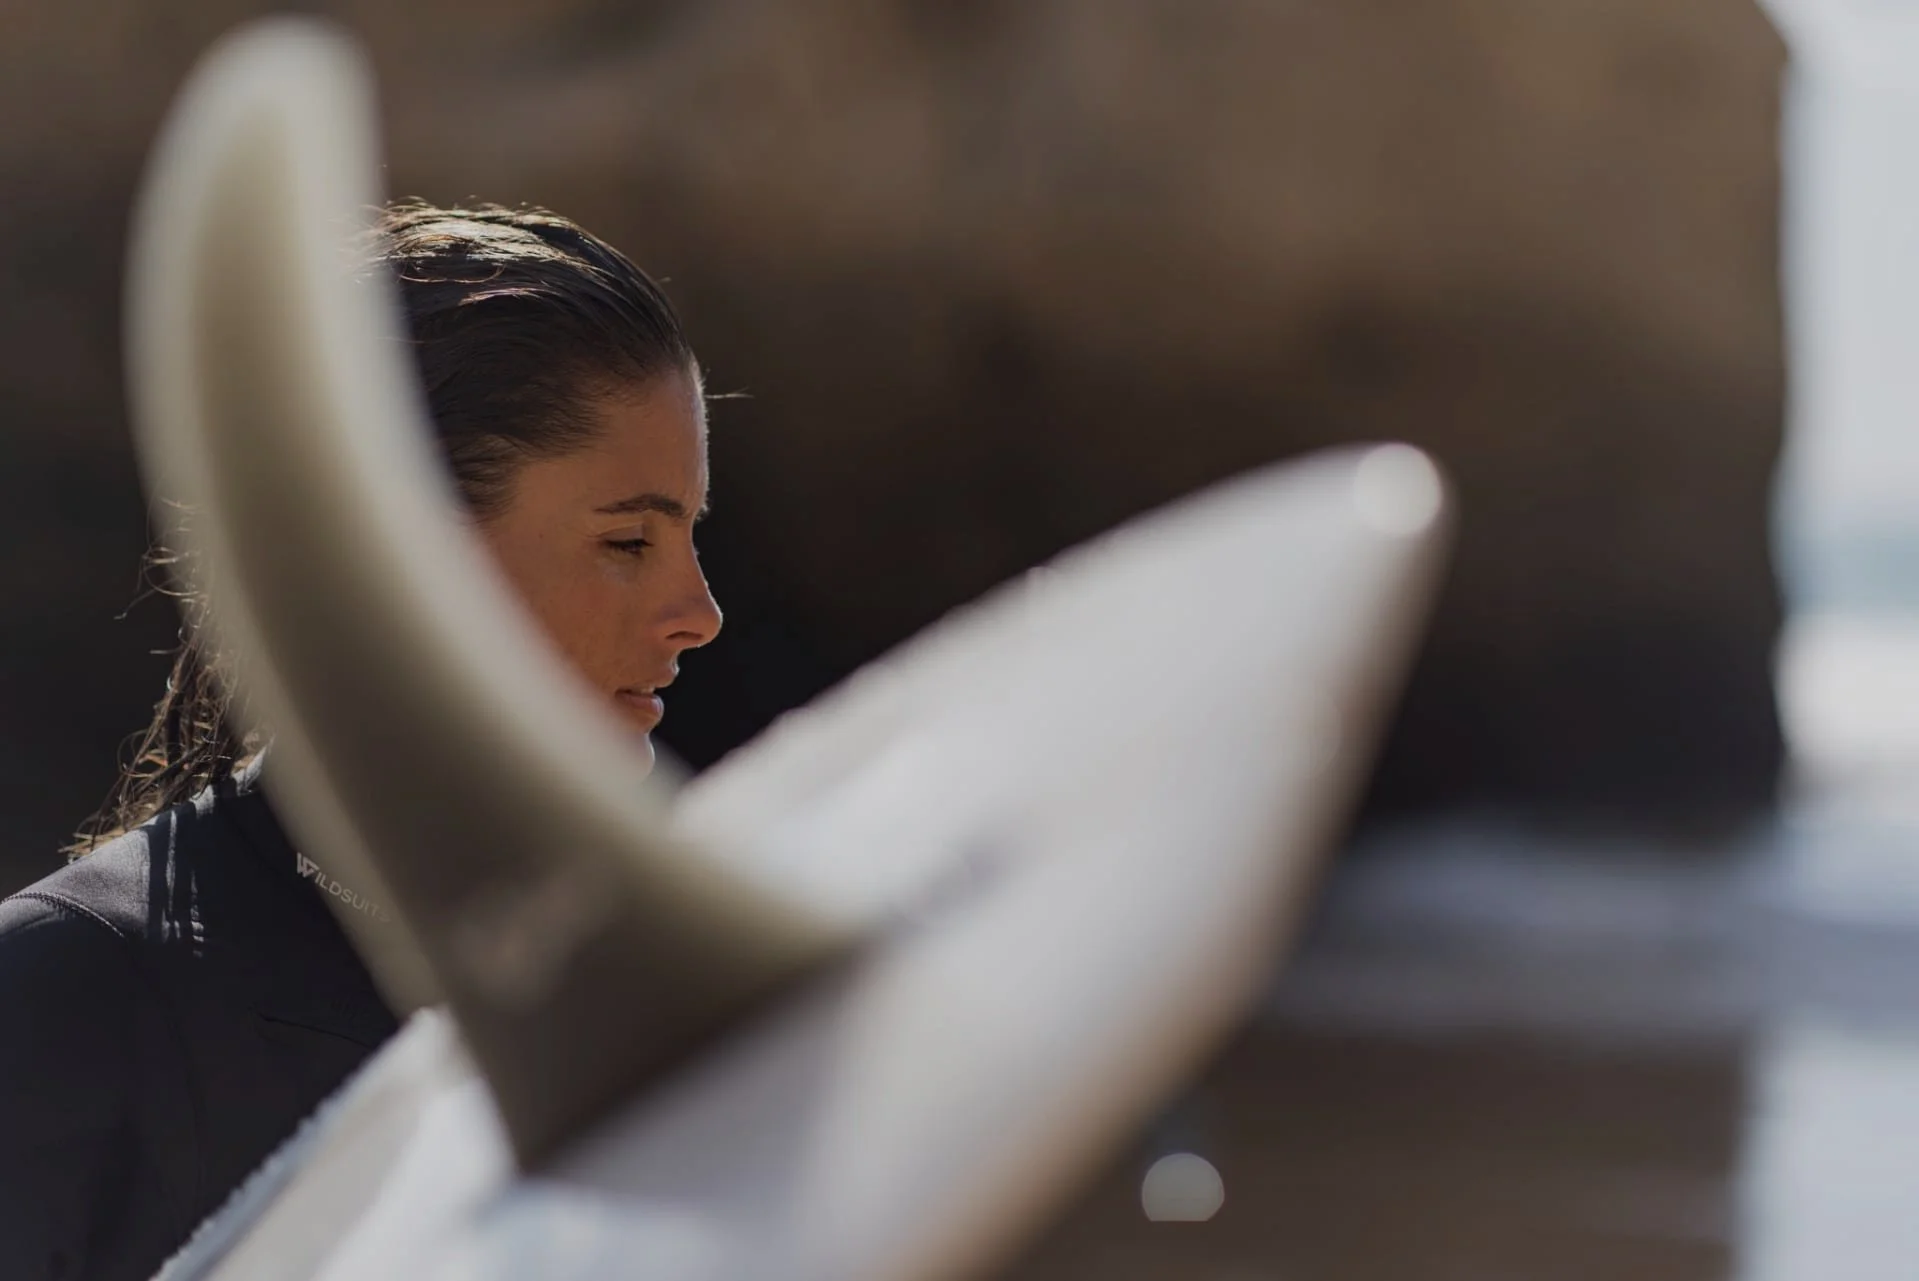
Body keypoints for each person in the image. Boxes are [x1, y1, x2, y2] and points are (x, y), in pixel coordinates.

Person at [0, 201, 723, 1281]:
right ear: (390, 548)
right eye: (628, 540)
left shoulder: (650, 989)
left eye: (689, 537)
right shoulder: (65, 1002)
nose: (699, 613)